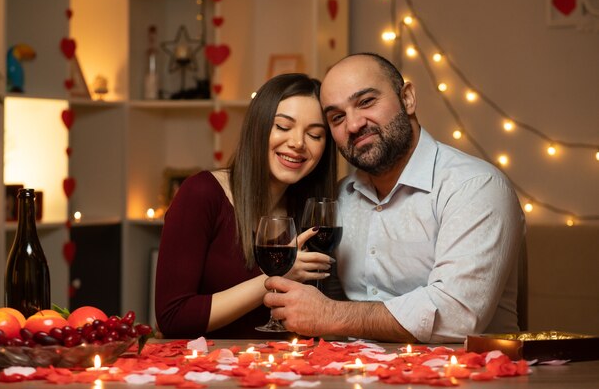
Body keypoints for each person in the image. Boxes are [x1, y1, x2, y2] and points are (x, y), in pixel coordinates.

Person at [264, 53, 525, 343]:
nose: (353, 125)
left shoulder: (473, 186)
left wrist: (330, 315)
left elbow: (458, 315)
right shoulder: (338, 198)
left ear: (408, 99)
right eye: (337, 117)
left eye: (365, 102)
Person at [155, 73, 337, 338]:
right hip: (208, 373)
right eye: (283, 127)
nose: (298, 143)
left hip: (287, 372)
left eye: (315, 134)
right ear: (258, 127)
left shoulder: (312, 214)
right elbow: (173, 318)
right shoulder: (202, 193)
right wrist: (273, 279)